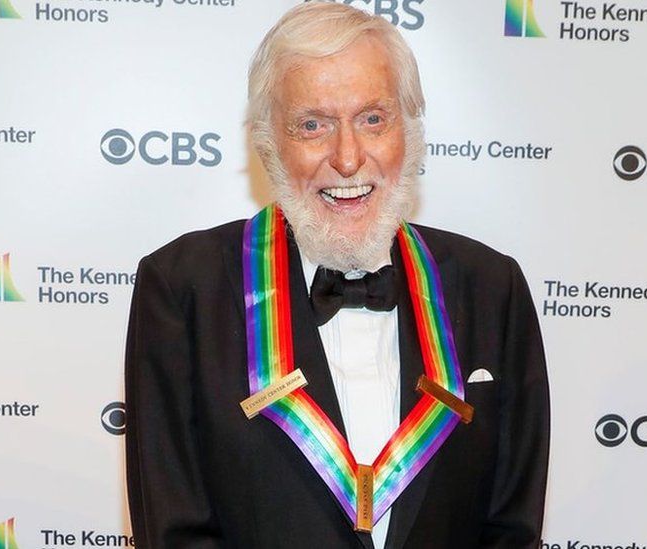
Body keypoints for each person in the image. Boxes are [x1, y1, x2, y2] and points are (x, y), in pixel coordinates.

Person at [124, 3, 550, 548]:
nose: (348, 158)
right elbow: (174, 534)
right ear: (268, 142)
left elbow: (510, 529)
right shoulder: (182, 292)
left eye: (373, 119)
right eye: (312, 125)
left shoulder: (494, 288)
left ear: (411, 131)